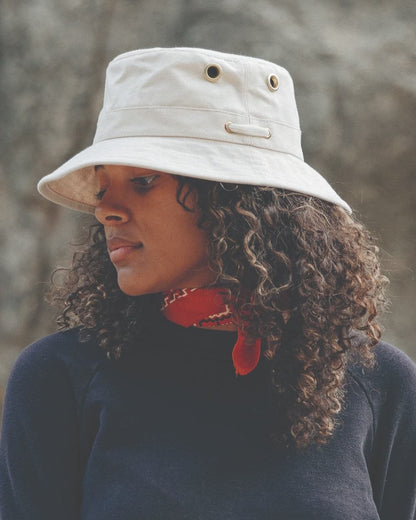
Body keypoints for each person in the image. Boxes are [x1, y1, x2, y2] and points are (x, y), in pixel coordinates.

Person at [1, 47, 415, 520]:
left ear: (236, 198)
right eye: (101, 187)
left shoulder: (380, 383)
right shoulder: (60, 377)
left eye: (141, 181)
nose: (105, 209)